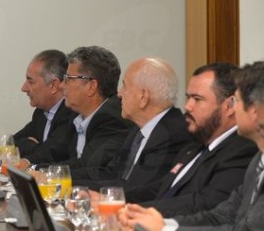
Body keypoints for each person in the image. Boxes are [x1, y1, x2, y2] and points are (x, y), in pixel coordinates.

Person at [121, 61, 264, 231]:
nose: (187, 107)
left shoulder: (243, 152)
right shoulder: (256, 161)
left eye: (236, 101)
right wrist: (156, 223)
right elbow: (221, 215)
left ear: (254, 111)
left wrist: (162, 230)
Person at [72, 57, 192, 188]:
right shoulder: (138, 130)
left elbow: (138, 188)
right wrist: (60, 179)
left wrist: (82, 190)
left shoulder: (172, 134)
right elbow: (111, 173)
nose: (119, 93)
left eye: (125, 86)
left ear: (143, 97)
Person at [48, 45, 135, 172]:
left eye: (68, 79)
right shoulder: (75, 116)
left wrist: (38, 170)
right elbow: (56, 152)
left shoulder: (113, 119)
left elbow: (88, 166)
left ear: (91, 86)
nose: (61, 85)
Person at [14, 49, 75, 163]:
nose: (24, 88)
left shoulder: (71, 113)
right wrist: (30, 144)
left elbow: (49, 155)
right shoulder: (40, 113)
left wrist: (29, 145)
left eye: (30, 82)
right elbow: (11, 143)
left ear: (53, 85)